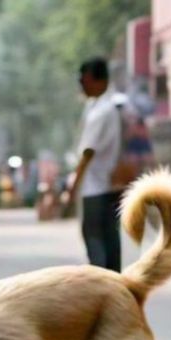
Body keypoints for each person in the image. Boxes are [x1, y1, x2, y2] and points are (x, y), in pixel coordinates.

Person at [69, 57, 123, 271]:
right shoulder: (99, 106)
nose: (82, 85)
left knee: (94, 237)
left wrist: (73, 187)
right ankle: (112, 284)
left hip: (96, 187)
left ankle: (101, 283)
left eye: (85, 81)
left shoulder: (102, 111)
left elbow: (87, 152)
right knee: (109, 236)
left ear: (99, 81)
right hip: (107, 184)